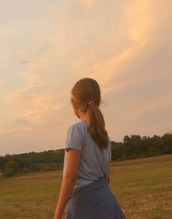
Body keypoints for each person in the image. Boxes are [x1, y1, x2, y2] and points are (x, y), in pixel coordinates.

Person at [54, 78, 126, 219]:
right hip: (107, 202)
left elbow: (70, 177)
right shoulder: (104, 136)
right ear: (97, 102)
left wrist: (57, 215)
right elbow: (107, 179)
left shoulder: (76, 130)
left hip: (84, 204)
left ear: (75, 106)